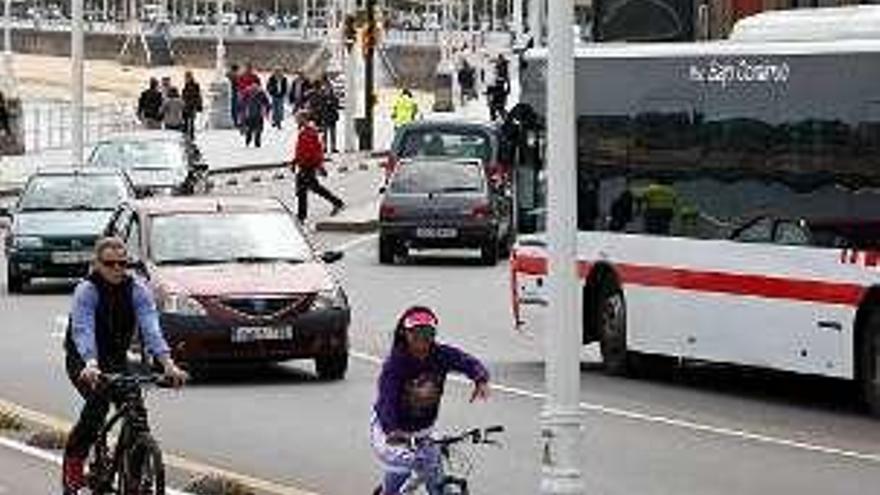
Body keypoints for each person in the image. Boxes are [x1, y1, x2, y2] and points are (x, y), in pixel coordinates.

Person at [61, 237, 188, 495]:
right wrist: (91, 363)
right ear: (97, 264)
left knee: (137, 413)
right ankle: (74, 464)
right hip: (83, 357)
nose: (118, 269)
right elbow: (83, 329)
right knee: (98, 404)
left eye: (123, 263)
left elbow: (151, 328)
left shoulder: (137, 289)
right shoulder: (87, 290)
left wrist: (168, 364)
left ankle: (135, 476)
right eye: (110, 264)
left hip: (116, 358)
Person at [370, 306, 490, 495]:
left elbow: (467, 361)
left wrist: (480, 379)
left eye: (427, 332)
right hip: (390, 431)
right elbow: (387, 400)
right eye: (415, 332)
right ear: (405, 333)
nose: (421, 337)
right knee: (402, 464)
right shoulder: (396, 364)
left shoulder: (441, 354)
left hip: (423, 431)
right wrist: (392, 431)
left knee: (438, 486)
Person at [292, 111, 344, 222]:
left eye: (298, 118)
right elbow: (302, 149)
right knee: (306, 190)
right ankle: (302, 215)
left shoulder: (309, 132)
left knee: (309, 189)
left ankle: (302, 216)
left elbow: (312, 151)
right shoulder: (305, 131)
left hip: (307, 165)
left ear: (303, 119)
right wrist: (295, 161)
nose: (295, 120)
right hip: (304, 165)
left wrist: (316, 165)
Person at [239, 82, 270, 147]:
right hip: (250, 115)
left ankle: (256, 142)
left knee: (257, 130)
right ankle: (249, 140)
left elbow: (267, 103)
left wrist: (267, 110)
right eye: (253, 90)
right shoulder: (247, 93)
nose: (254, 92)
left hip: (257, 115)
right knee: (251, 130)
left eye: (255, 90)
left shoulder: (261, 93)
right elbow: (242, 103)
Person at [316, 78, 340, 153]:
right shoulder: (321, 96)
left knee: (333, 133)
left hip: (332, 117)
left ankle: (333, 147)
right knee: (324, 133)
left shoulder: (333, 97)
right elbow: (320, 106)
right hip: (325, 116)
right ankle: (325, 147)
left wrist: (331, 104)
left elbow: (336, 105)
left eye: (328, 87)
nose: (326, 89)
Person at [182, 71, 203, 139]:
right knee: (186, 120)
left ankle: (191, 135)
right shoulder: (186, 85)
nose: (186, 79)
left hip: (192, 104)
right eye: (186, 77)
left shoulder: (195, 85)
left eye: (187, 77)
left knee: (191, 120)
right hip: (187, 105)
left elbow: (198, 95)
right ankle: (187, 134)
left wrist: (199, 105)